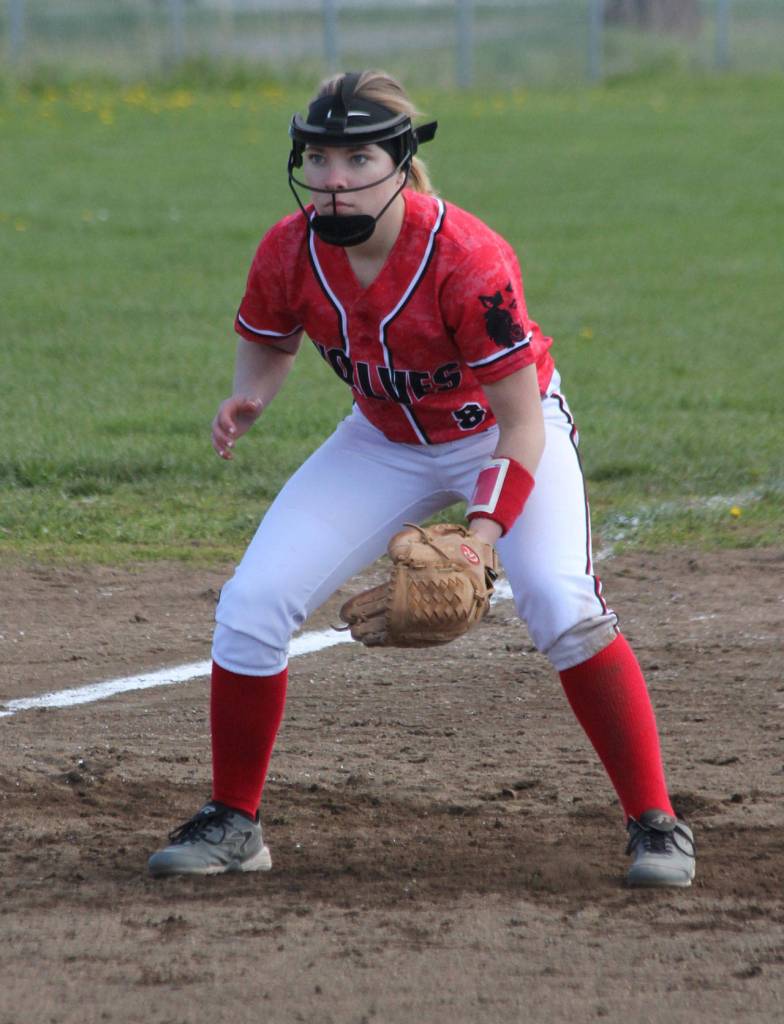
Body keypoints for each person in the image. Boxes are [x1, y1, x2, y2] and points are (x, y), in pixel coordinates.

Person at [148, 70, 696, 887]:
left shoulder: (468, 258)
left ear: (401, 161)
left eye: (357, 158)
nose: (334, 180)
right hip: (381, 440)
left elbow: (521, 424)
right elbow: (271, 333)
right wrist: (251, 395)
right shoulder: (288, 248)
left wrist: (481, 541)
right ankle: (234, 822)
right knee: (254, 602)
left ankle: (656, 823)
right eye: (320, 158)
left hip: (502, 435)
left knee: (558, 599)